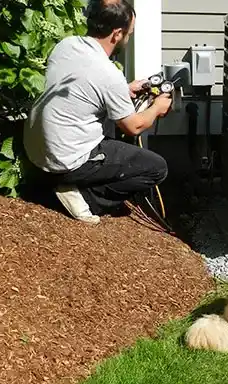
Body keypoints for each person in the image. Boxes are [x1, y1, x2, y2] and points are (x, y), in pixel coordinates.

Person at [23, 0, 172, 224]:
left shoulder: (67, 45)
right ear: (117, 34)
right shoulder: (108, 74)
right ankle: (84, 198)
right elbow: (134, 127)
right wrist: (157, 107)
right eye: (129, 34)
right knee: (156, 168)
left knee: (111, 130)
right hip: (65, 160)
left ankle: (57, 182)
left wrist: (124, 89)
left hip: (36, 150)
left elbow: (82, 86)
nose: (128, 38)